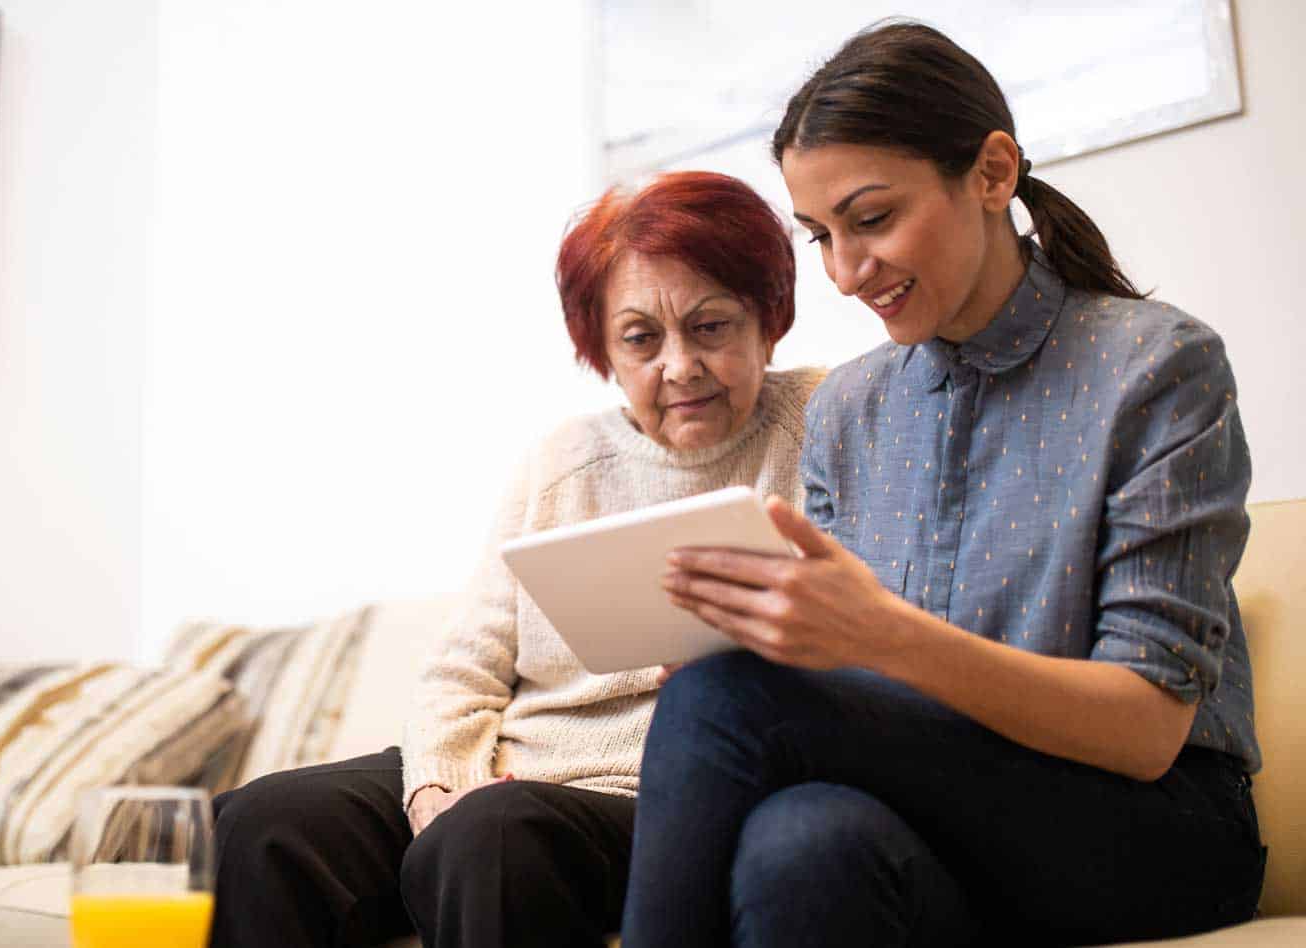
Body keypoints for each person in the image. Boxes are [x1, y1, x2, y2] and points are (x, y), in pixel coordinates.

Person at [621, 20, 1266, 948]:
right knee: (799, 843)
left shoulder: (1157, 368)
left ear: (993, 173)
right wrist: (777, 641)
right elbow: (864, 702)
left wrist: (881, 637)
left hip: (1156, 825)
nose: (846, 273)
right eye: (822, 237)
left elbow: (1146, 732)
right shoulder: (849, 407)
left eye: (873, 219)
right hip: (957, 816)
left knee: (723, 706)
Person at [208, 171, 824, 948]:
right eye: (641, 338)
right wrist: (436, 783)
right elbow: (463, 665)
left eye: (711, 327)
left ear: (769, 321)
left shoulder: (826, 426)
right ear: (599, 347)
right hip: (511, 775)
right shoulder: (563, 461)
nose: (679, 367)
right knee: (263, 822)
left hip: (663, 801)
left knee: (495, 835)